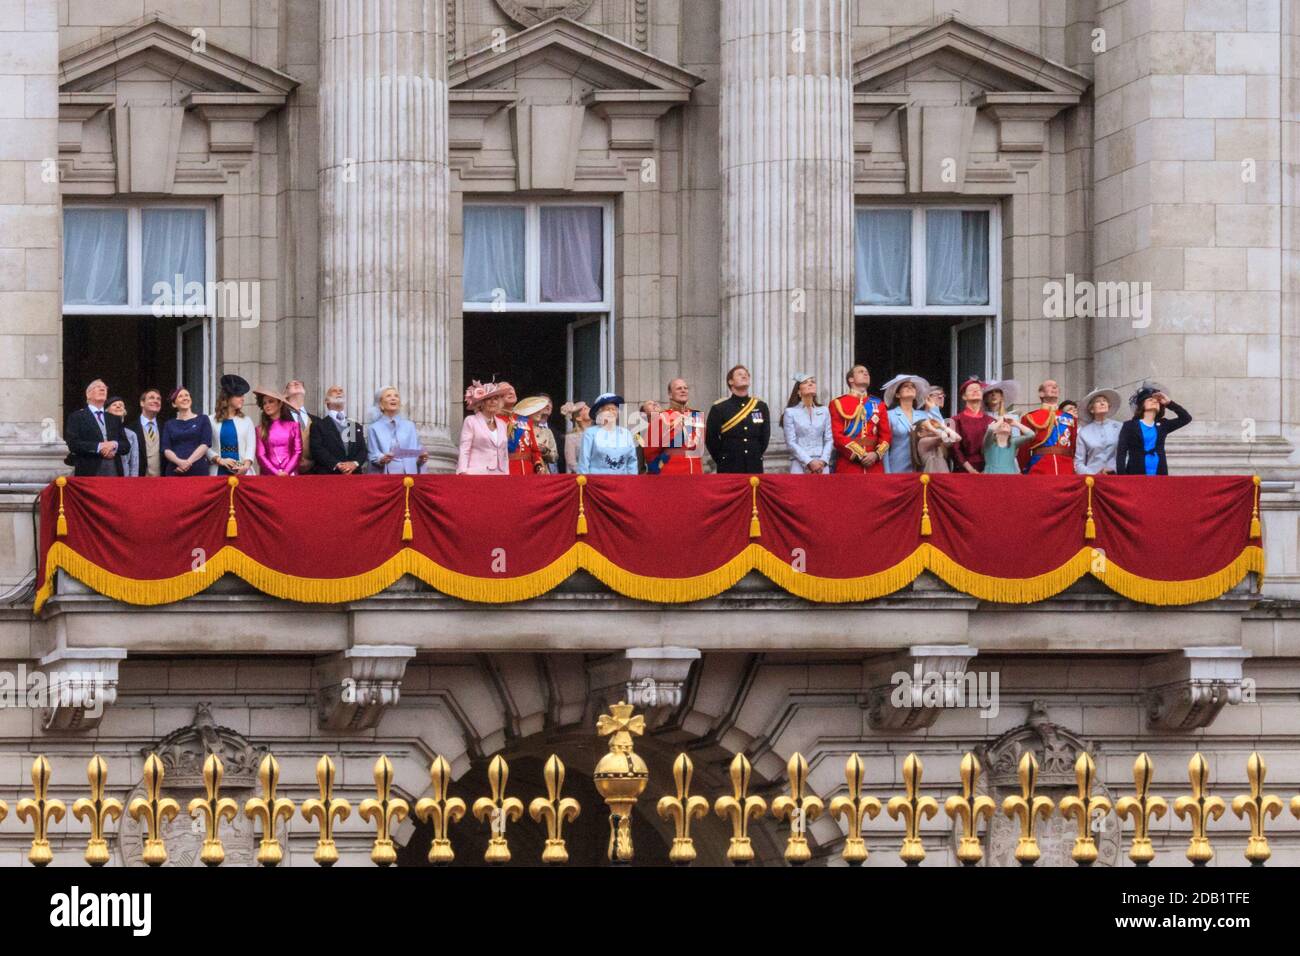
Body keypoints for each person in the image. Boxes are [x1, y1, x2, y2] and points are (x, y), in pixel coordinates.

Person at [705, 365, 770, 474]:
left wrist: (755, 454)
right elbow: (711, 439)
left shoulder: (760, 406)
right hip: (729, 465)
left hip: (754, 464)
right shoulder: (719, 408)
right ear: (730, 381)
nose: (744, 376)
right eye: (739, 374)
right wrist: (722, 458)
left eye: (746, 375)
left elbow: (765, 436)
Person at [1116, 383, 1192, 475]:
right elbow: (1121, 453)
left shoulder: (1163, 425)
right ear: (1142, 404)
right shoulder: (1129, 426)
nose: (1155, 401)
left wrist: (1169, 403)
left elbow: (1186, 418)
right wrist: (1122, 477)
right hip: (1135, 474)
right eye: (1150, 400)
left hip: (1159, 473)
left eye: (1157, 401)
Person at [829, 365, 891, 474]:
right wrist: (860, 454)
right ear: (851, 379)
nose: (866, 374)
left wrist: (876, 455)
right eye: (861, 372)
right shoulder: (838, 403)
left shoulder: (879, 404)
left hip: (874, 465)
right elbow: (836, 435)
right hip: (848, 465)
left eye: (867, 372)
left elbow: (886, 435)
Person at [64, 379, 131, 477]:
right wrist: (99, 447)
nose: (102, 388)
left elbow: (126, 445)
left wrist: (114, 444)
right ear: (88, 394)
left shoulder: (114, 419)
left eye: (104, 388)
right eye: (98, 387)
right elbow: (73, 444)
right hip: (89, 470)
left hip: (114, 470)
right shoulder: (77, 417)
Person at [643, 378, 705, 475]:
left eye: (685, 388)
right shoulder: (661, 417)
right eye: (678, 388)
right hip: (671, 475)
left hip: (695, 473)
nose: (683, 390)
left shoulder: (696, 416)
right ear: (670, 394)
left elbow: (699, 448)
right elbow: (650, 454)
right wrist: (659, 472)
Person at [1018, 379, 1077, 475]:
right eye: (1050, 385)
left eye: (1056, 386)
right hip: (1040, 466)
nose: (1054, 387)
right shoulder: (1029, 417)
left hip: (1066, 467)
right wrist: (1025, 469)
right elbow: (1024, 449)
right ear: (1041, 393)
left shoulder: (1070, 418)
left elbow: (1073, 446)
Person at [368, 386, 427, 475]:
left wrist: (421, 458)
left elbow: (416, 453)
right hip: (385, 476)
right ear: (381, 404)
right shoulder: (374, 428)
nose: (393, 398)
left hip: (409, 477)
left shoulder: (410, 426)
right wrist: (382, 459)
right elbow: (372, 455)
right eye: (388, 396)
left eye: (396, 396)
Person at [880, 373, 932, 474]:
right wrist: (886, 472)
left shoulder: (924, 415)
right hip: (896, 468)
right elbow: (884, 446)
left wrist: (933, 408)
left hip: (921, 470)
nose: (910, 387)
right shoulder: (889, 415)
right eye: (905, 386)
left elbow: (939, 431)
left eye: (913, 386)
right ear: (897, 394)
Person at [781, 373, 833, 474]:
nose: (810, 384)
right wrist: (809, 461)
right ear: (798, 391)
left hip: (822, 464)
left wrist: (823, 461)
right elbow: (791, 442)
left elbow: (829, 439)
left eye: (812, 382)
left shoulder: (824, 410)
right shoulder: (790, 412)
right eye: (805, 382)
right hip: (799, 463)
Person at [206, 375, 257, 477]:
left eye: (243, 396)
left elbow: (251, 447)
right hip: (218, 472)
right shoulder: (210, 420)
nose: (242, 399)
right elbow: (206, 446)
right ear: (228, 397)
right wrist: (220, 460)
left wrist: (245, 467)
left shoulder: (247, 421)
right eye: (239, 395)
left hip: (242, 473)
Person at [311, 385, 367, 474]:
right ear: (327, 401)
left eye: (341, 390)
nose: (339, 392)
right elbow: (317, 449)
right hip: (329, 476)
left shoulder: (353, 425)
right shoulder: (319, 424)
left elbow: (361, 450)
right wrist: (337, 464)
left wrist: (354, 463)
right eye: (334, 391)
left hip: (353, 475)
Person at [457, 380, 509, 475]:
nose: (493, 401)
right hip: (476, 474)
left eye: (496, 398)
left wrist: (506, 473)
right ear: (482, 402)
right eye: (489, 398)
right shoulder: (471, 421)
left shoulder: (503, 424)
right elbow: (464, 448)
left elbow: (504, 454)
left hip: (499, 475)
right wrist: (462, 472)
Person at [578, 394, 638, 475]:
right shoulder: (590, 433)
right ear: (599, 413)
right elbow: (584, 461)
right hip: (597, 483)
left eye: (614, 409)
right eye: (607, 409)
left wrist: (632, 481)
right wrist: (584, 482)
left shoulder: (626, 433)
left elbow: (632, 461)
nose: (611, 412)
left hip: (622, 482)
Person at [160, 388, 212, 477]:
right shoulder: (169, 424)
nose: (185, 398)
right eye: (180, 396)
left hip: (198, 470)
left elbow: (205, 443)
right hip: (175, 470)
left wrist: (187, 462)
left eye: (187, 395)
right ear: (174, 404)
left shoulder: (203, 419)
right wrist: (179, 462)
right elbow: (166, 449)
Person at [254, 386, 302, 476]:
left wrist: (286, 471)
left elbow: (298, 452)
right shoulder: (260, 429)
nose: (267, 405)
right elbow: (260, 455)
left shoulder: (294, 426)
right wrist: (276, 473)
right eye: (264, 403)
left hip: (291, 475)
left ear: (280, 404)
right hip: (269, 476)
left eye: (271, 401)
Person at [1074, 388, 1123, 476]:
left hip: (1116, 476)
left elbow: (1126, 454)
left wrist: (1115, 469)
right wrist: (1095, 475)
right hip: (1092, 480)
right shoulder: (1084, 432)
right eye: (1098, 401)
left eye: (1104, 400)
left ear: (1109, 406)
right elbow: (1078, 463)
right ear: (1091, 409)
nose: (1102, 403)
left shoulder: (1120, 427)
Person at [950, 377, 993, 473]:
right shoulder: (956, 420)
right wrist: (969, 469)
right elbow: (955, 449)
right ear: (964, 396)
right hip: (963, 469)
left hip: (988, 470)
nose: (975, 391)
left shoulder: (991, 421)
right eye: (971, 390)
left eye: (978, 389)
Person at [506, 392, 548, 475]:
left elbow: (535, 450)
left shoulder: (527, 423)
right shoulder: (500, 420)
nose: (540, 413)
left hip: (529, 471)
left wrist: (538, 465)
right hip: (510, 470)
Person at [128, 387, 165, 477]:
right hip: (138, 480)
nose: (156, 401)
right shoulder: (130, 428)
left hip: (161, 480)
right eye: (151, 398)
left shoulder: (165, 427)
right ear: (142, 403)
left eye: (158, 399)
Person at [284, 380, 314, 474]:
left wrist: (313, 462)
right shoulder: (281, 418)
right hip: (287, 471)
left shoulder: (317, 420)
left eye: (300, 383)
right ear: (285, 393)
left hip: (313, 472)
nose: (296, 383)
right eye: (291, 384)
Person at [106, 396, 138, 478]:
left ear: (124, 411)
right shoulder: (102, 431)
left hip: (124, 476)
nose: (118, 406)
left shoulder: (131, 434)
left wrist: (132, 481)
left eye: (121, 404)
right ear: (106, 411)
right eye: (114, 405)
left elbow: (134, 461)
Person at [560, 400, 590, 474]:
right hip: (582, 479)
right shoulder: (571, 438)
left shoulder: (598, 434)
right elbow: (571, 463)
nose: (590, 409)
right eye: (585, 409)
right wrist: (588, 473)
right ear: (578, 418)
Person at [533, 394, 559, 473]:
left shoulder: (554, 432)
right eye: (543, 402)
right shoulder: (523, 429)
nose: (548, 405)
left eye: (549, 402)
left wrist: (545, 451)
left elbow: (556, 457)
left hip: (549, 474)